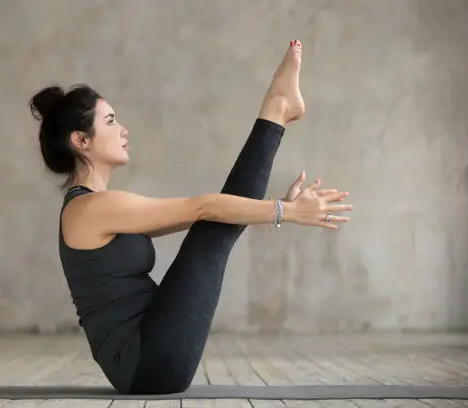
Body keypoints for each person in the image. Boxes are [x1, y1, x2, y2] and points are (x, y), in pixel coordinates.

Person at [29, 40, 353, 394]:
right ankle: (276, 109)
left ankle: (278, 109)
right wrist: (286, 212)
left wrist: (274, 207)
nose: (124, 130)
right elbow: (204, 207)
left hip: (149, 351)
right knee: (211, 228)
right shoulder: (91, 209)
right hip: (147, 363)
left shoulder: (96, 206)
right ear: (81, 140)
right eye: (110, 121)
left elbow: (207, 215)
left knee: (213, 227)